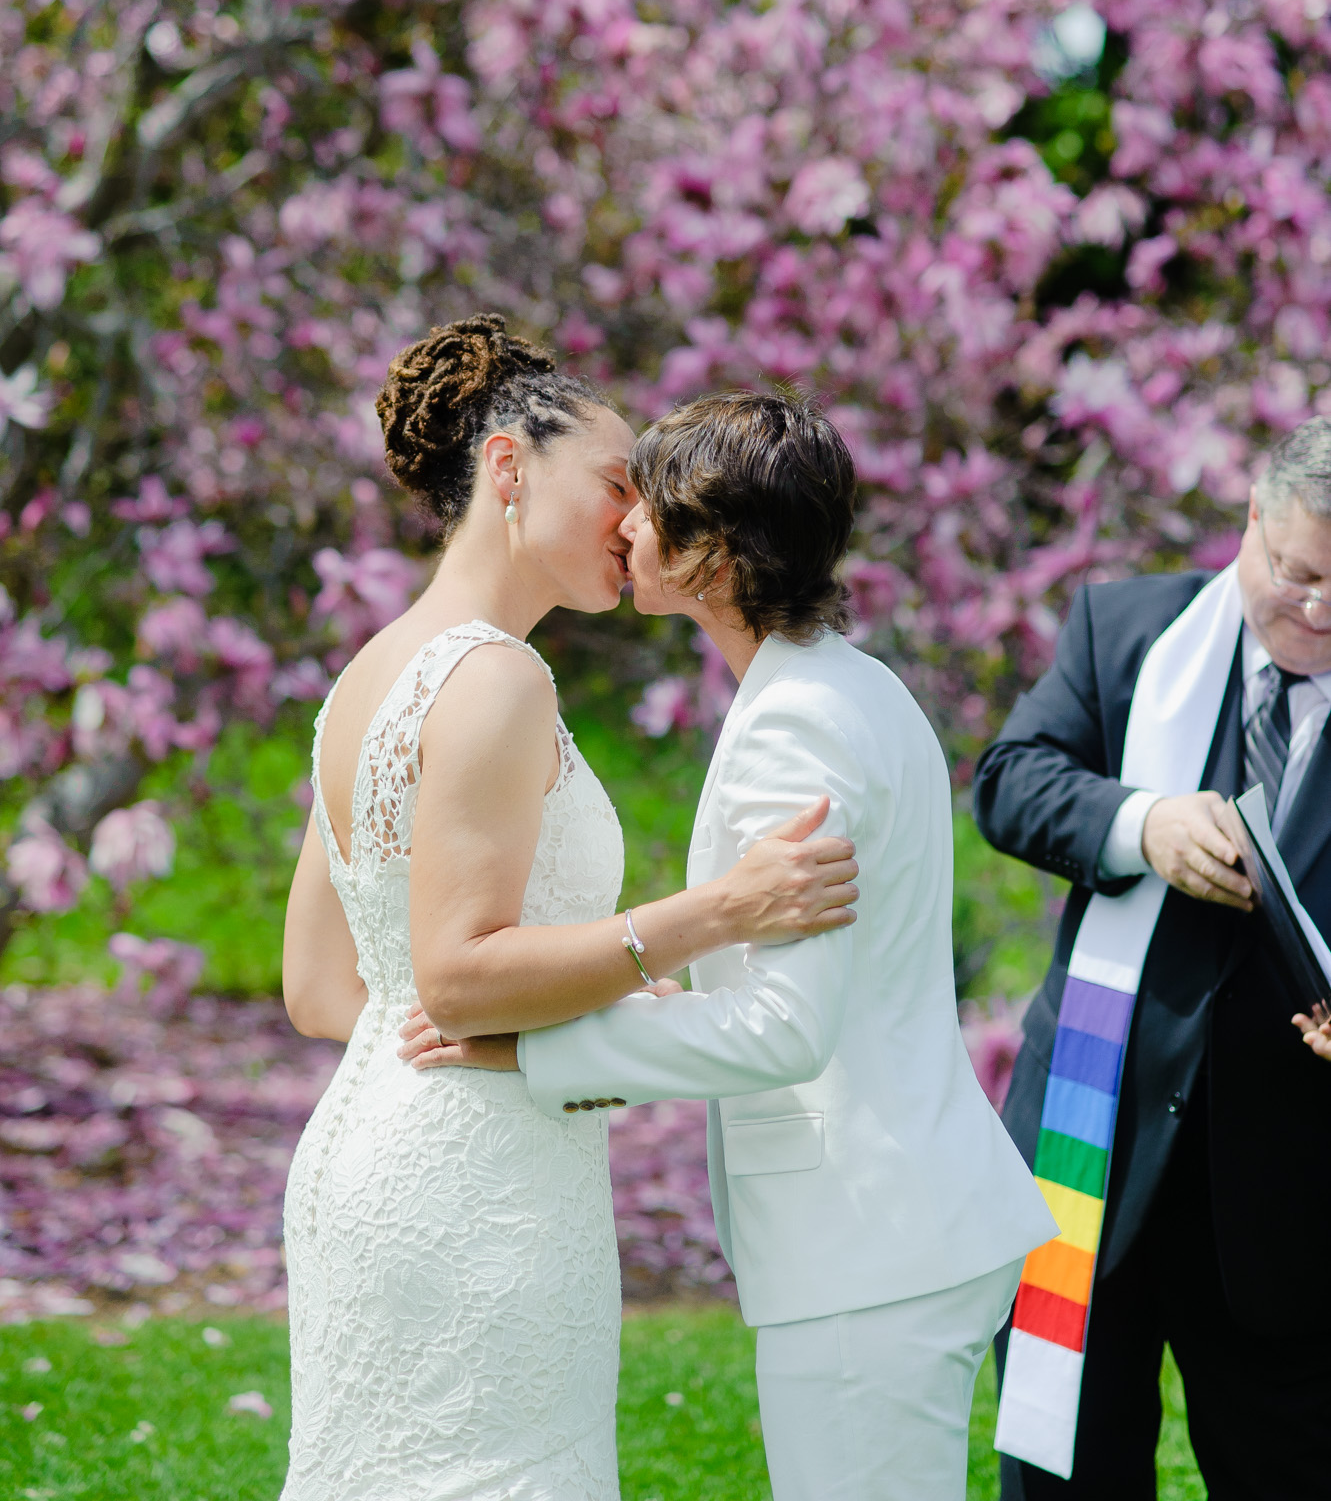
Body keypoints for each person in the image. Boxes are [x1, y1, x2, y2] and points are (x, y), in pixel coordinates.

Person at [403, 390, 1054, 1501]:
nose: (621, 527)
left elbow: (779, 1028)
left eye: (646, 507)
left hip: (870, 1239)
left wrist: (531, 1050)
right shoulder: (839, 680)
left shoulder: (797, 720)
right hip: (900, 1221)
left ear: (718, 548)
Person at [279, 318, 857, 1501]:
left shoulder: (366, 672)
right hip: (474, 1188)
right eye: (612, 482)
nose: (633, 519)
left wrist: (529, 1015)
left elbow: (325, 988)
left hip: (369, 1149)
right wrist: (711, 912)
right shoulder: (495, 673)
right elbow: (454, 972)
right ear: (505, 468)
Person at [975, 416, 1331, 1501]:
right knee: (1061, 1472)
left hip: (1287, 1185)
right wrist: (1140, 824)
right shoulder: (1126, 628)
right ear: (1248, 528)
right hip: (1093, 1140)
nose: (1316, 609)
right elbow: (1008, 779)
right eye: (1297, 572)